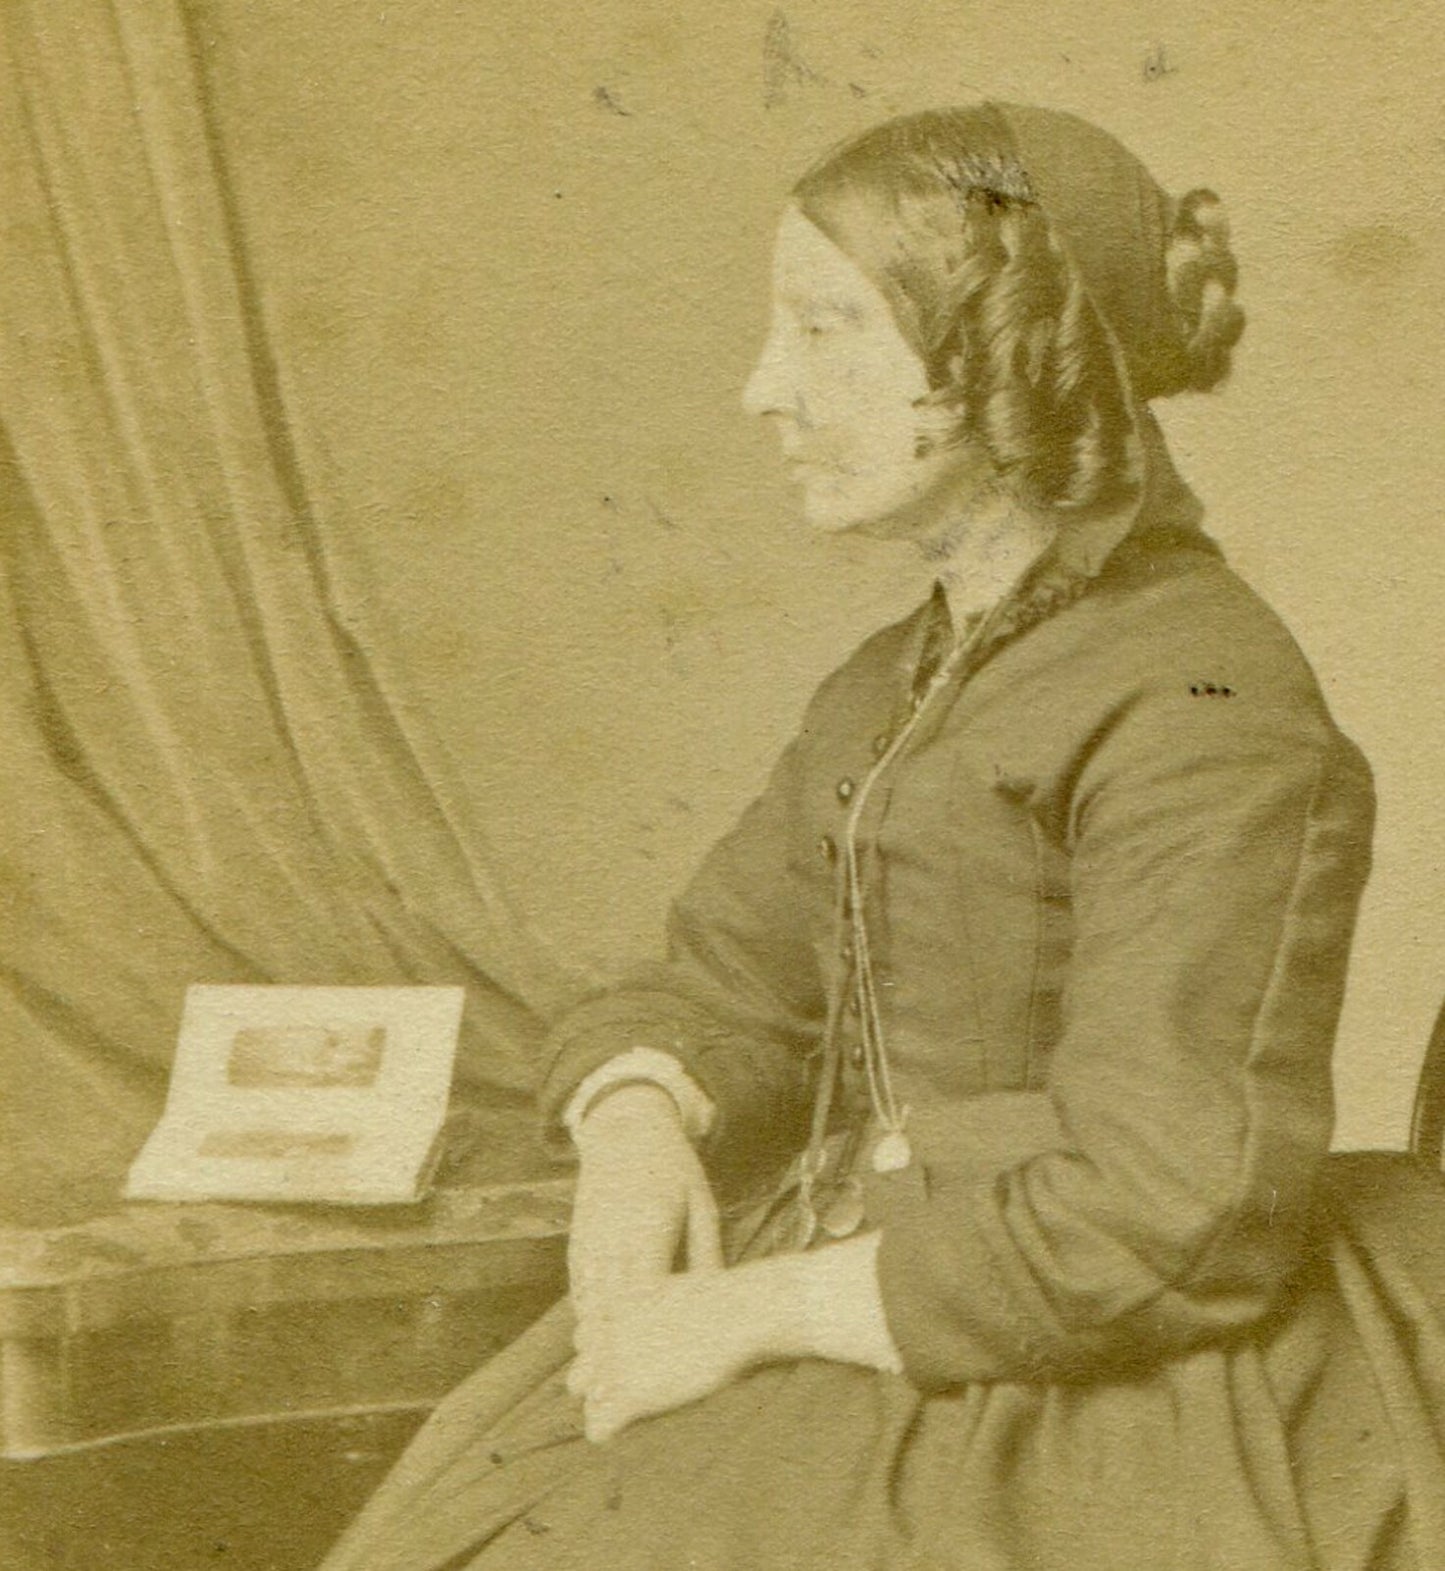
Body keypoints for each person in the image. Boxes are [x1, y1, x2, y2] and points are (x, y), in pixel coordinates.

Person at [321, 102, 1445, 1570]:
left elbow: (1171, 1213)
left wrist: (747, 1312)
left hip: (1086, 1371)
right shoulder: (890, 686)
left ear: (1004, 352)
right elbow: (725, 987)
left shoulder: (1202, 704)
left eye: (825, 328)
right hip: (871, 1298)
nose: (758, 390)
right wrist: (635, 1123)